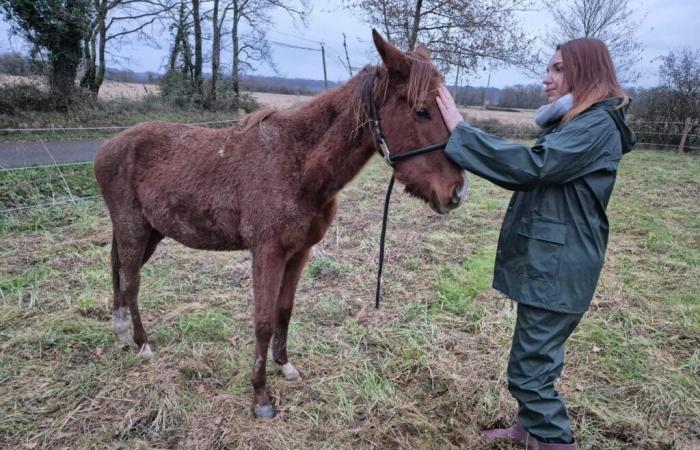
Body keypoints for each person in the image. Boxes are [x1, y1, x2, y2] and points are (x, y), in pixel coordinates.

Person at [435, 38, 636, 449]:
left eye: (559, 68)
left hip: (559, 267)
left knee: (528, 370)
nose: (547, 77)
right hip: (554, 263)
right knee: (537, 360)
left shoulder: (596, 124)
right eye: (550, 68)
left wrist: (460, 131)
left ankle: (553, 440)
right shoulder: (580, 121)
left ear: (587, 71)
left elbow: (534, 167)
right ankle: (529, 430)